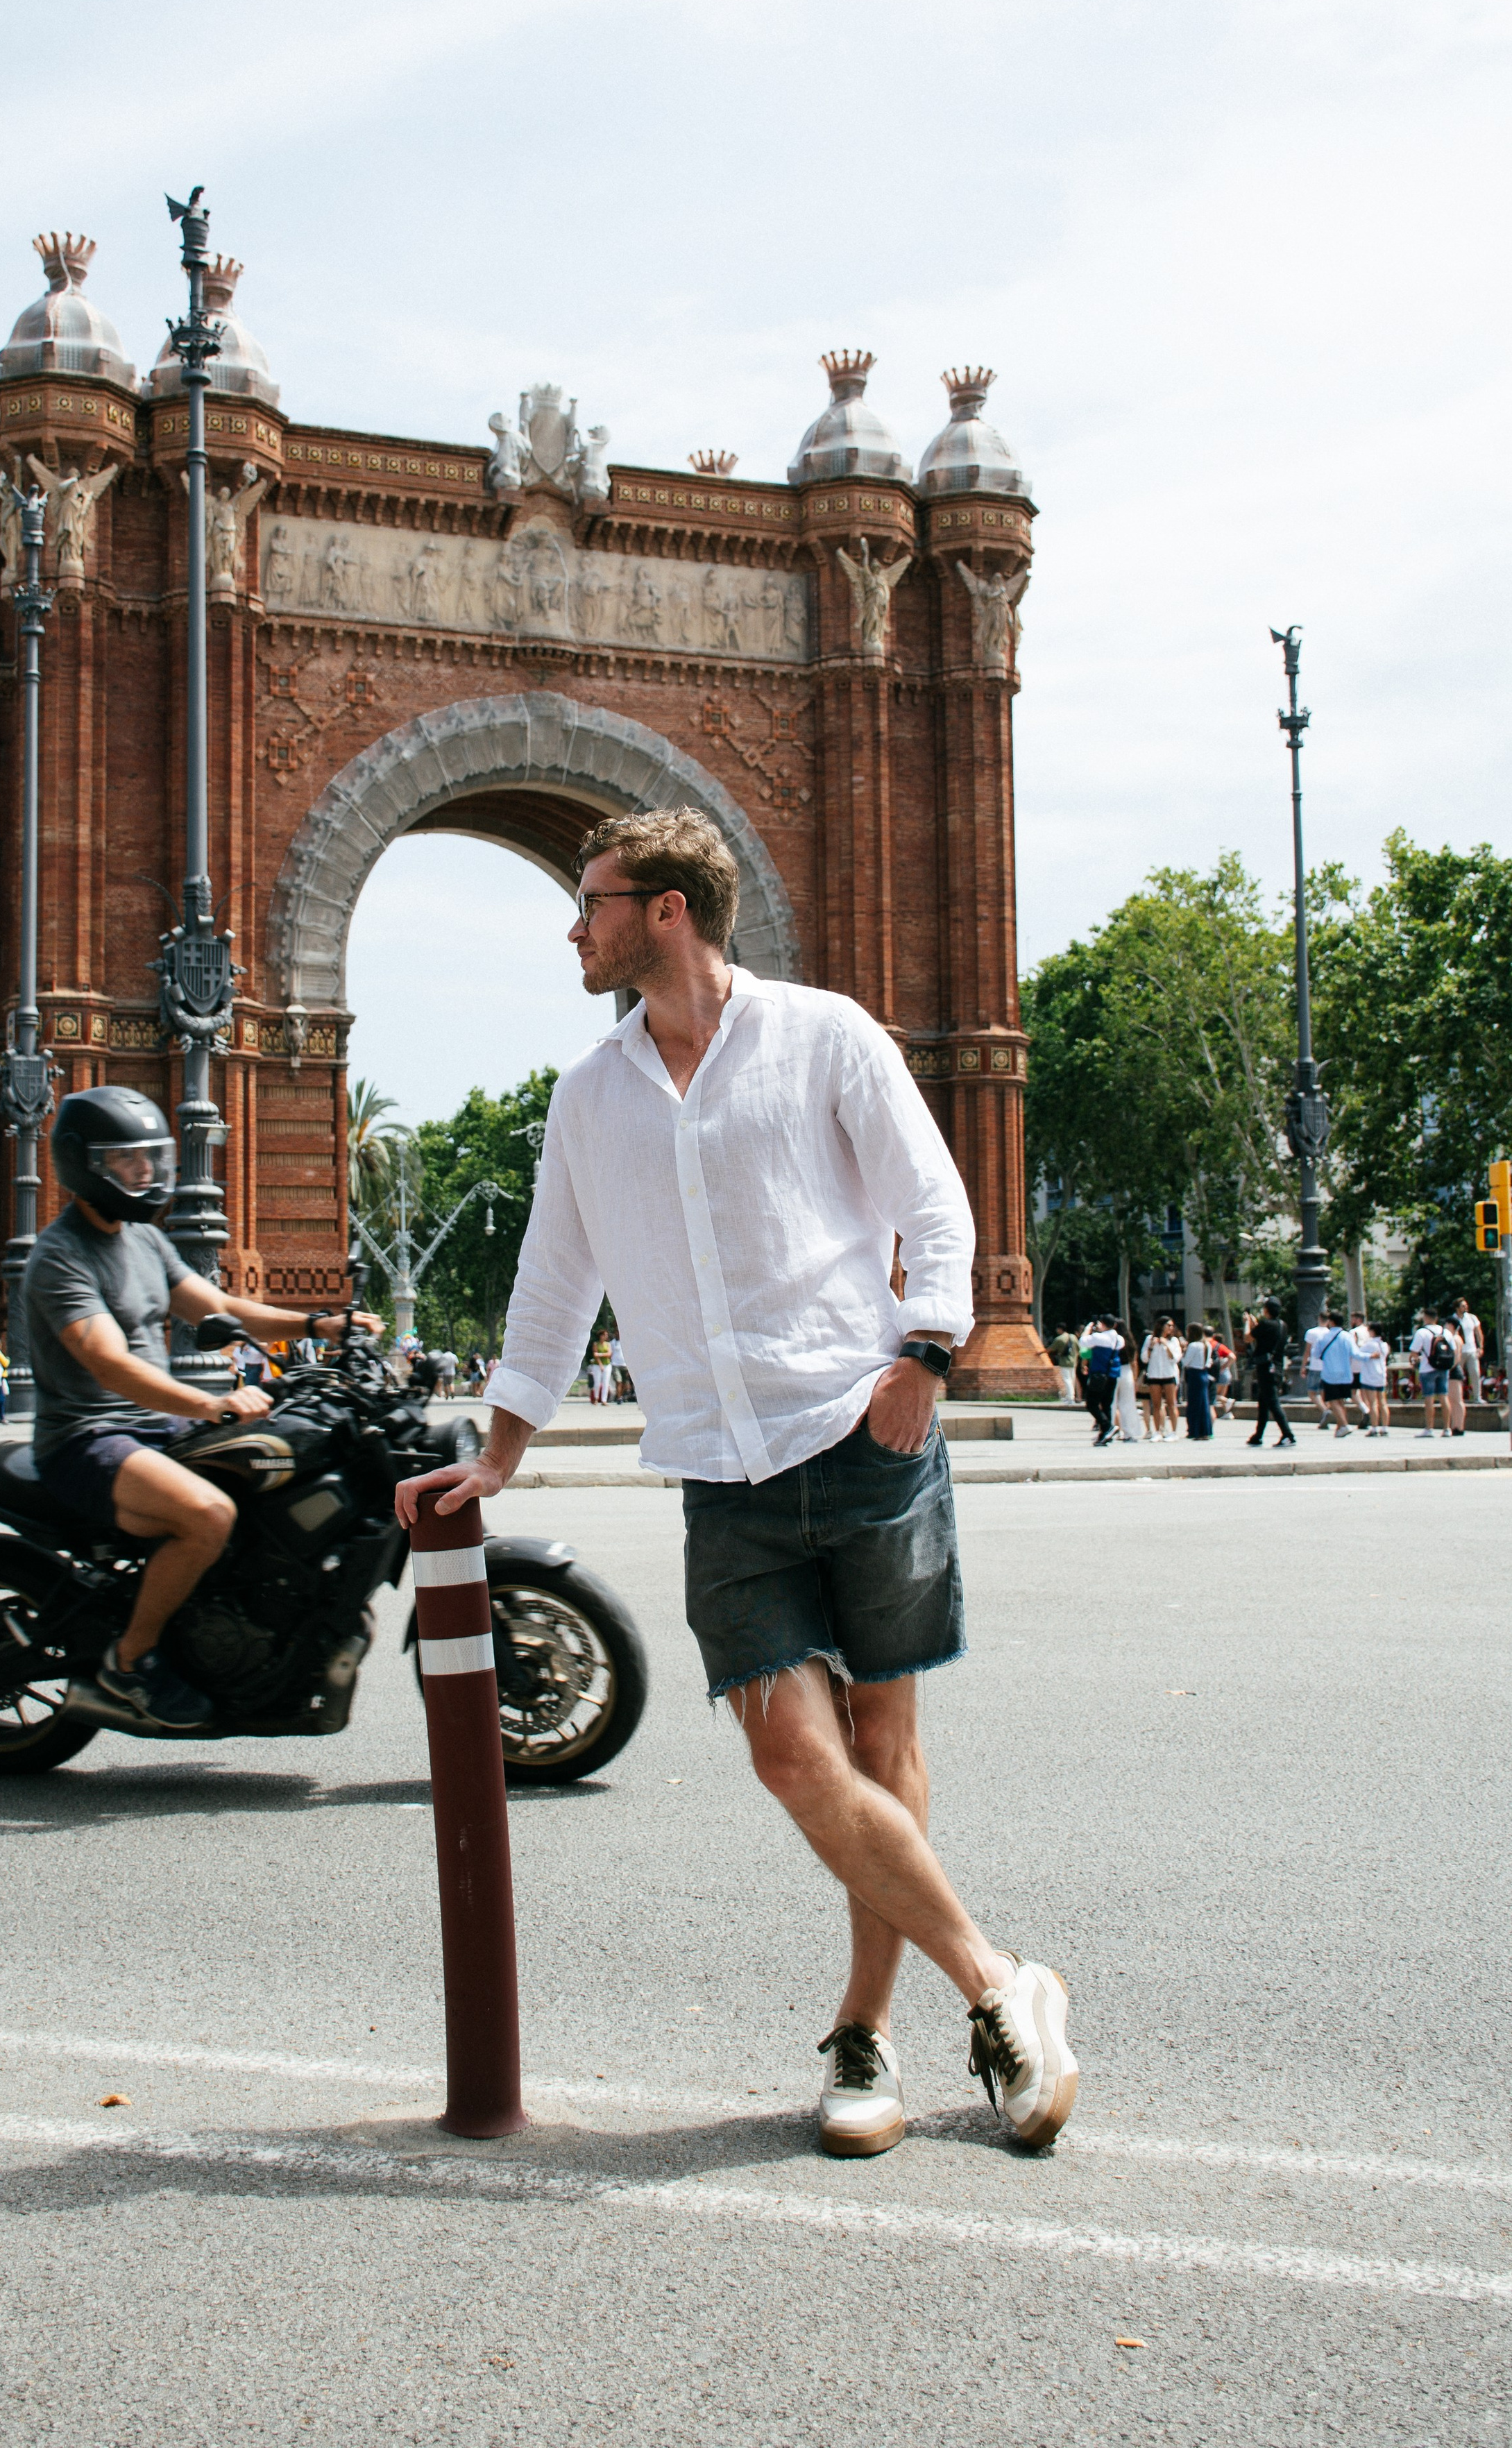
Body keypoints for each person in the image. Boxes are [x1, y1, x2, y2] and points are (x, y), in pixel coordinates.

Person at [396, 808, 1077, 2157]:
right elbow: (553, 1279)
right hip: (723, 1470)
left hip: (862, 1437)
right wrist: (499, 1447)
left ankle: (864, 2036)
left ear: (663, 912)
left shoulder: (824, 1038)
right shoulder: (590, 1096)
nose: (570, 925)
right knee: (790, 1755)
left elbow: (934, 1211)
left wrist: (922, 1363)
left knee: (880, 1751)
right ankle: (1000, 1986)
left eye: (589, 900)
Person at [22, 1085, 382, 1734]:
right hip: (88, 1437)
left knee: (274, 1469)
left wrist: (320, 1325)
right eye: (125, 1160)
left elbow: (225, 1310)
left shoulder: (145, 1241)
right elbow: (110, 1364)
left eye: (149, 1158)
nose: (144, 1172)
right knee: (208, 1514)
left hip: (154, 1426)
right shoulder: (60, 1256)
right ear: (85, 1166)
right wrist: (211, 1404)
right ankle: (127, 1666)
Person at [1245, 1299, 1295, 1447]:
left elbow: (1248, 1337)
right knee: (1264, 1402)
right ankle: (1258, 1435)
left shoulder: (1266, 1324)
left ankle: (1288, 1435)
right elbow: (1264, 1335)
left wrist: (1248, 1322)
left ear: (1266, 1310)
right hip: (1277, 1367)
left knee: (1273, 1402)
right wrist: (1256, 1325)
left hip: (1266, 1368)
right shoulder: (1282, 1325)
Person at [1309, 1309, 1358, 1438]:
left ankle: (1345, 1425)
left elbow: (1315, 1354)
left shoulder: (1324, 1336)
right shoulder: (1347, 1336)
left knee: (1332, 1401)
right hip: (1346, 1374)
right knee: (1341, 1401)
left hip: (1330, 1374)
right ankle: (1340, 1426)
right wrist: (1371, 1357)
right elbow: (1356, 1354)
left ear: (1331, 1322)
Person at [1408, 1309, 1450, 1440]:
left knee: (1429, 1399)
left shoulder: (1422, 1332)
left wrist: (1415, 1360)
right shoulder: (1445, 1332)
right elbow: (1452, 1349)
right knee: (1444, 1397)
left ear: (1426, 1318)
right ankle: (1447, 1428)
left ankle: (1429, 1428)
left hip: (1427, 1369)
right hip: (1443, 1368)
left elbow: (1414, 1352)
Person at [1081, 1316, 1120, 1445]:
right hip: (1112, 1375)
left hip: (1099, 1375)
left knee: (1091, 1404)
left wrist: (1088, 1329)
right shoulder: (1118, 1338)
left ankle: (1107, 1426)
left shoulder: (1099, 1337)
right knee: (1106, 1405)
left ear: (1103, 1324)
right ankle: (1105, 1435)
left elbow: (1083, 1342)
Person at [1142, 1316, 1182, 1440]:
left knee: (1171, 1403)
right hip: (1154, 1374)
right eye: (1168, 1325)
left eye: (1172, 1326)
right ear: (1161, 1325)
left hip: (1169, 1374)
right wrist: (1151, 1347)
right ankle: (1158, 1431)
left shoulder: (1174, 1340)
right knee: (1156, 1404)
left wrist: (1166, 1345)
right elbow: (1144, 1358)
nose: (1171, 1328)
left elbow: (1176, 1358)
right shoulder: (1150, 1339)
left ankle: (1174, 1432)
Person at [1352, 1318, 1390, 1436]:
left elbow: (1358, 1355)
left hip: (1370, 1376)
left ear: (1373, 1332)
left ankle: (1374, 1427)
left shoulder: (1369, 1345)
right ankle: (1385, 1427)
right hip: (1381, 1376)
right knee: (1383, 1402)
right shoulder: (1384, 1345)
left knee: (1373, 1403)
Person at [1180, 1324, 1213, 1440]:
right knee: (1204, 1403)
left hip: (1194, 1374)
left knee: (1194, 1404)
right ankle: (1205, 1431)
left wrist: (1183, 1351)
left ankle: (1195, 1430)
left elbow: (1185, 1362)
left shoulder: (1193, 1345)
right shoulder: (1207, 1345)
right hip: (1204, 1373)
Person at [1453, 1295, 1484, 1406]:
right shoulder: (1453, 1320)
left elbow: (1478, 1333)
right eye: (1463, 1306)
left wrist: (1480, 1347)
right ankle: (1458, 1398)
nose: (1466, 1307)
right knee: (1458, 1375)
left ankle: (1477, 1397)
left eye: (1466, 1305)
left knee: (1475, 1373)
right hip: (1459, 1352)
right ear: (1457, 1308)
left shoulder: (1472, 1318)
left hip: (1472, 1350)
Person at [1047, 1325, 1077, 1404]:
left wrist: (1041, 1352)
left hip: (1064, 1362)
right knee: (1072, 1380)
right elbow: (1079, 1348)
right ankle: (1070, 1396)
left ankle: (1071, 1398)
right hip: (1073, 1362)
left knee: (1067, 1380)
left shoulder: (1059, 1339)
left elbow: (1051, 1349)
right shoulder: (1073, 1337)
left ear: (1060, 1329)